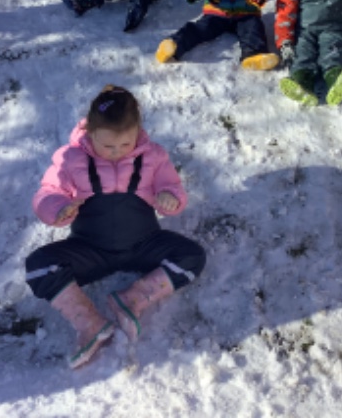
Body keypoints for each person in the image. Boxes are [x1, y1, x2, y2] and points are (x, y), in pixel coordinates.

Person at [25, 85, 206, 368]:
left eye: (125, 145)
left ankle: (133, 298)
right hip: (90, 250)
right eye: (108, 146)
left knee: (192, 256)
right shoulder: (71, 159)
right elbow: (48, 191)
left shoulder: (153, 157)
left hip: (144, 244)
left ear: (138, 132)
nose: (117, 153)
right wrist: (58, 208)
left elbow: (171, 186)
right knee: (39, 266)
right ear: (90, 133)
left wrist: (169, 198)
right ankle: (89, 323)